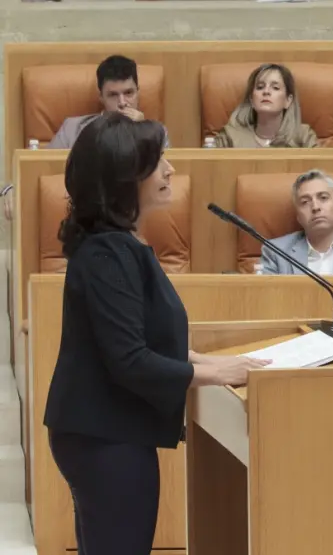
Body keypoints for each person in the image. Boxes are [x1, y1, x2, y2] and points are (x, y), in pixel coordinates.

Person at [43, 113, 271, 554]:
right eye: (157, 162)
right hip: (105, 437)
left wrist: (207, 362)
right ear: (124, 178)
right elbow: (129, 359)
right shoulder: (108, 254)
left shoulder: (120, 246)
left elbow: (140, 339)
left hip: (107, 430)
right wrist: (217, 373)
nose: (170, 169)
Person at [49, 55, 164, 150]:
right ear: (101, 97)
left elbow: (163, 170)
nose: (122, 103)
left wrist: (142, 130)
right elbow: (49, 167)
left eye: (128, 93)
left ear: (137, 93)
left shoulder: (157, 133)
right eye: (113, 95)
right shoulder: (71, 129)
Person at [212, 63, 318, 148]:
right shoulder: (230, 136)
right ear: (252, 100)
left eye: (275, 88)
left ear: (288, 100)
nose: (266, 91)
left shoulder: (303, 136)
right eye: (260, 87)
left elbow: (319, 167)